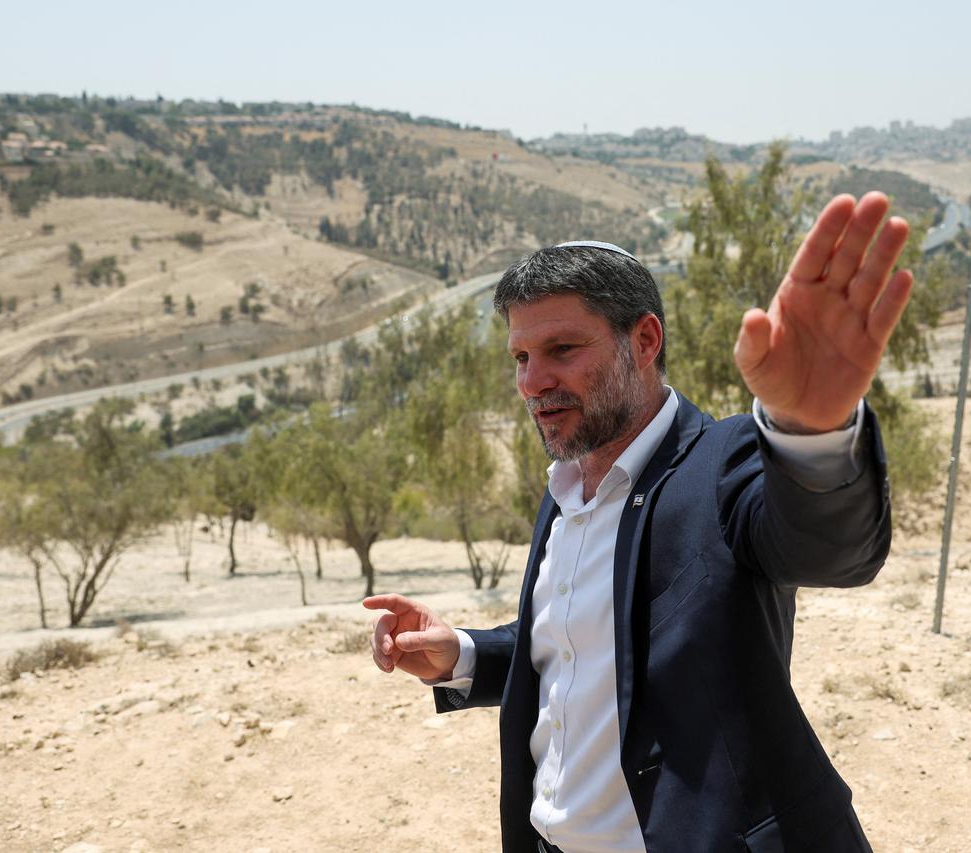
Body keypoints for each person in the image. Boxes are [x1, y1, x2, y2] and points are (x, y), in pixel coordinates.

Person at [365, 191, 914, 853]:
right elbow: (584, 646)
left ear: (645, 340)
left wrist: (812, 431)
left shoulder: (725, 462)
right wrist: (463, 653)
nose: (533, 381)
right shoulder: (565, 488)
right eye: (521, 358)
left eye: (562, 348)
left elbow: (831, 548)